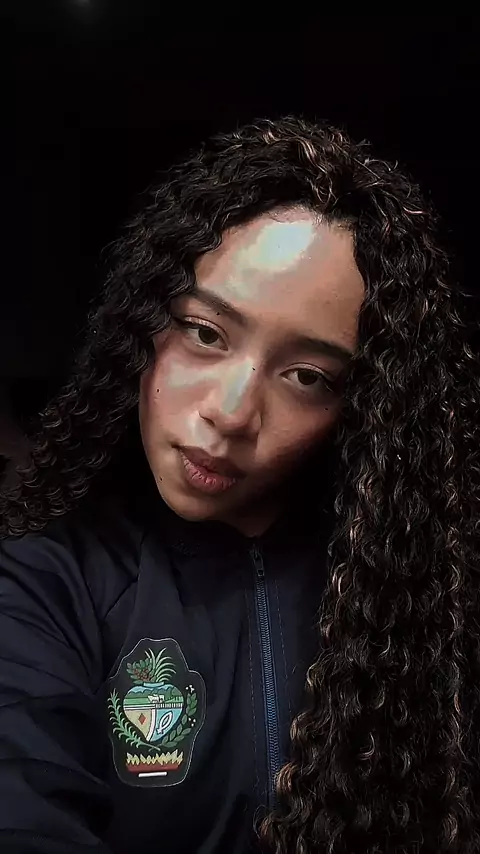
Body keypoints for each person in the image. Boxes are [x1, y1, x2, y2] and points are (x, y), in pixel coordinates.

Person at [0, 116, 479, 854]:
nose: (229, 413)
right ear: (142, 321)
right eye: (205, 333)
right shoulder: (46, 578)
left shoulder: (414, 597)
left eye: (307, 376)